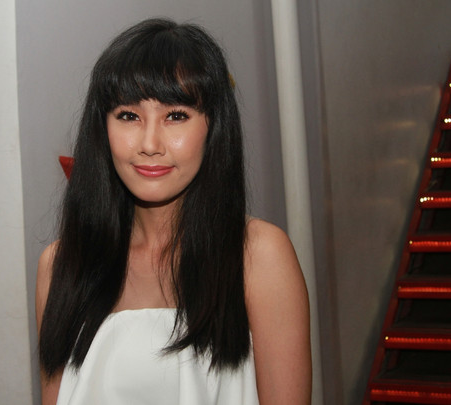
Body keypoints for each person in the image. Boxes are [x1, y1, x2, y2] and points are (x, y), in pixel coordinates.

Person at [36, 18, 311, 405]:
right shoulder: (62, 264)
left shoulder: (258, 255)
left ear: (213, 127)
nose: (150, 143)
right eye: (128, 116)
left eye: (176, 115)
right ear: (102, 129)